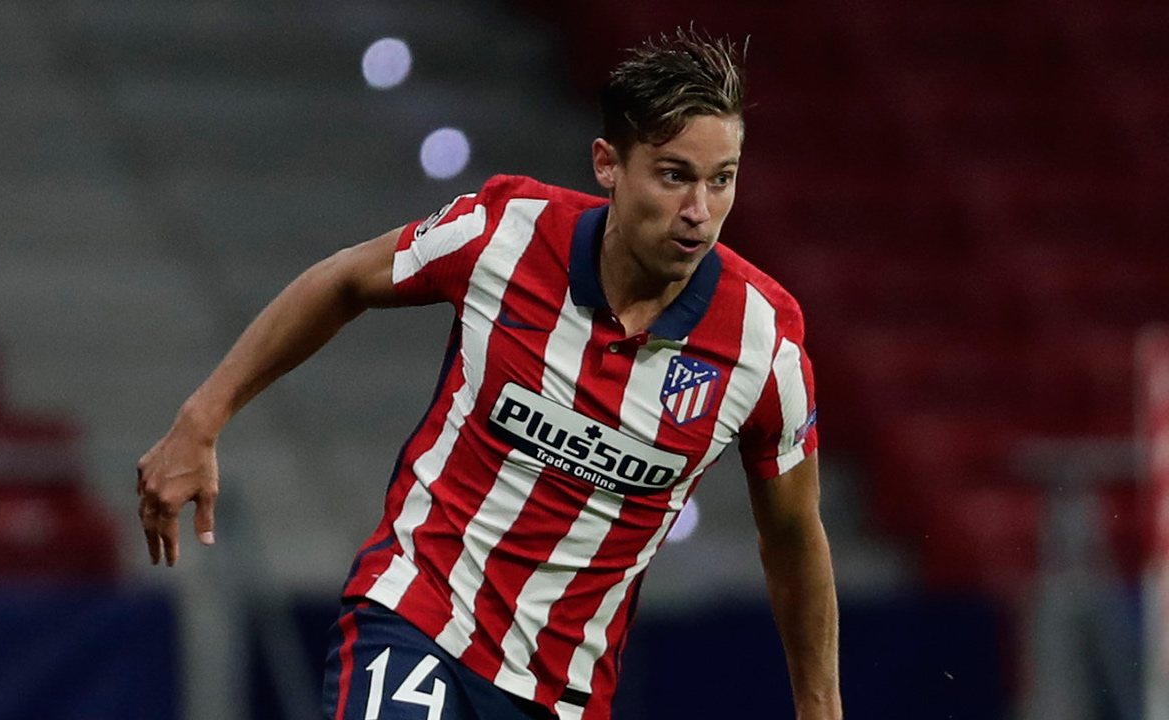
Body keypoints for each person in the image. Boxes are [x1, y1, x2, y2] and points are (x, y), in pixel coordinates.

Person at [138, 27, 841, 720]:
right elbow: (345, 280)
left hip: (562, 693)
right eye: (674, 175)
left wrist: (819, 707)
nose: (699, 212)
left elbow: (792, 535)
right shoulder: (505, 230)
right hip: (418, 615)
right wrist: (201, 420)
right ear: (608, 164)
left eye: (722, 181)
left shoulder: (763, 345)